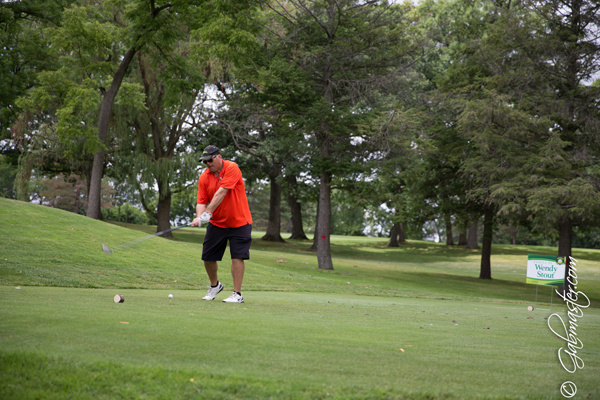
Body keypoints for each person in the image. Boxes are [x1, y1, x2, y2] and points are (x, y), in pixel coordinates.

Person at [191, 145, 253, 303]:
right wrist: (199, 217)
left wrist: (207, 213)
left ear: (218, 157)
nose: (208, 164)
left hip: (239, 221)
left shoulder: (232, 167)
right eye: (205, 162)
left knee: (237, 256)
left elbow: (222, 192)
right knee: (208, 257)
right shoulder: (204, 177)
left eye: (210, 160)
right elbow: (201, 201)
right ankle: (215, 286)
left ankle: (237, 294)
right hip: (217, 223)